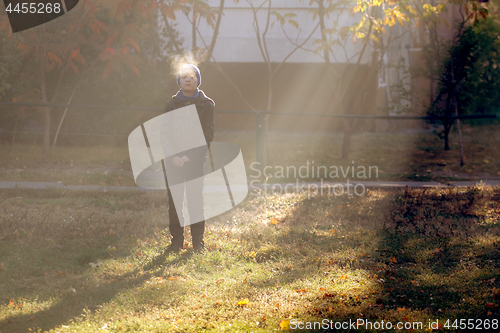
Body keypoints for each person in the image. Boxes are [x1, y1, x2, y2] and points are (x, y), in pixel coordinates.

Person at [163, 64, 215, 253]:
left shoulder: (206, 105)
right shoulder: (172, 105)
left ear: (197, 81)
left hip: (194, 162)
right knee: (175, 202)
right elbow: (165, 135)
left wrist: (190, 156)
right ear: (179, 81)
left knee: (195, 201)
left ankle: (197, 243)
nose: (188, 79)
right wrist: (173, 156)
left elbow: (207, 135)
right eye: (184, 76)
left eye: (192, 77)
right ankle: (176, 242)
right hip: (173, 163)